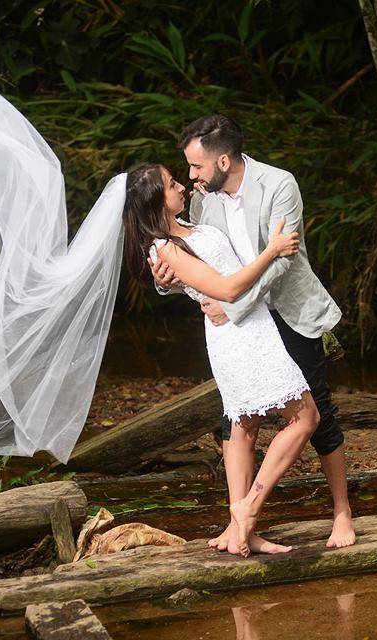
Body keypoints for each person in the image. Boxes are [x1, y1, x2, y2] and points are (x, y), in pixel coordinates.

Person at [150, 114, 356, 549]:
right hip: (239, 326)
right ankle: (240, 523)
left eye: (197, 167)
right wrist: (165, 282)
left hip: (287, 311)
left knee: (318, 413)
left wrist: (231, 303)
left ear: (223, 160)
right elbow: (189, 254)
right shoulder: (203, 200)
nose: (191, 178)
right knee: (239, 418)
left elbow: (283, 260)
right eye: (187, 171)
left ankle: (342, 514)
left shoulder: (279, 184)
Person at [123, 162, 321, 557]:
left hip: (248, 328)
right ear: (156, 201)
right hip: (240, 337)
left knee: (243, 426)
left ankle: (240, 532)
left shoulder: (186, 226)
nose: (182, 184)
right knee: (305, 418)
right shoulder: (164, 248)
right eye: (171, 183)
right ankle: (249, 506)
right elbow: (228, 289)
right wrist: (273, 250)